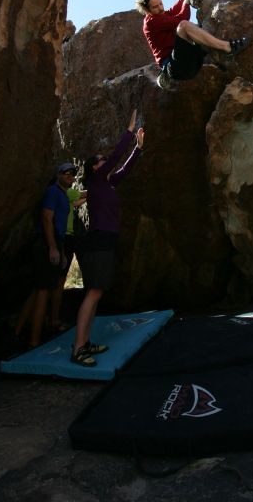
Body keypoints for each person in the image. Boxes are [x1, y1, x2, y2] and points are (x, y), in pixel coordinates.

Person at [71, 110, 144, 367]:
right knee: (93, 293)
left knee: (97, 293)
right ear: (94, 167)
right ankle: (78, 347)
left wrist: (138, 148)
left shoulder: (108, 183)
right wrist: (129, 131)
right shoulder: (95, 180)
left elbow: (123, 169)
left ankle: (85, 340)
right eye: (100, 161)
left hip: (105, 241)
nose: (105, 162)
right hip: (98, 242)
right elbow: (114, 159)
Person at [135, 0, 251, 89]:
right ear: (147, 10)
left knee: (201, 29)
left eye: (161, 4)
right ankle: (227, 47)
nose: (161, 8)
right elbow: (182, 19)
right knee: (185, 26)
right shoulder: (151, 22)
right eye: (155, 7)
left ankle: (220, 56)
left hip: (192, 63)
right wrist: (187, 3)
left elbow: (179, 4)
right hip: (176, 67)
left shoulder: (163, 15)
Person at [15, 162, 77, 349]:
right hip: (45, 244)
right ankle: (34, 341)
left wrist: (61, 250)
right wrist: (52, 247)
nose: (70, 175)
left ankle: (17, 331)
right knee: (43, 291)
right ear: (58, 174)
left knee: (38, 289)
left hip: (55, 242)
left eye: (72, 173)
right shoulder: (52, 191)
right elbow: (46, 218)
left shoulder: (63, 196)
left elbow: (60, 226)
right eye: (65, 172)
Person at [49, 186, 87, 333]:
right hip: (65, 236)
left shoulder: (64, 197)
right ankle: (54, 319)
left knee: (57, 280)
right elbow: (83, 194)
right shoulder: (67, 191)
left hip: (65, 237)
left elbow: (75, 204)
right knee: (59, 280)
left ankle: (53, 317)